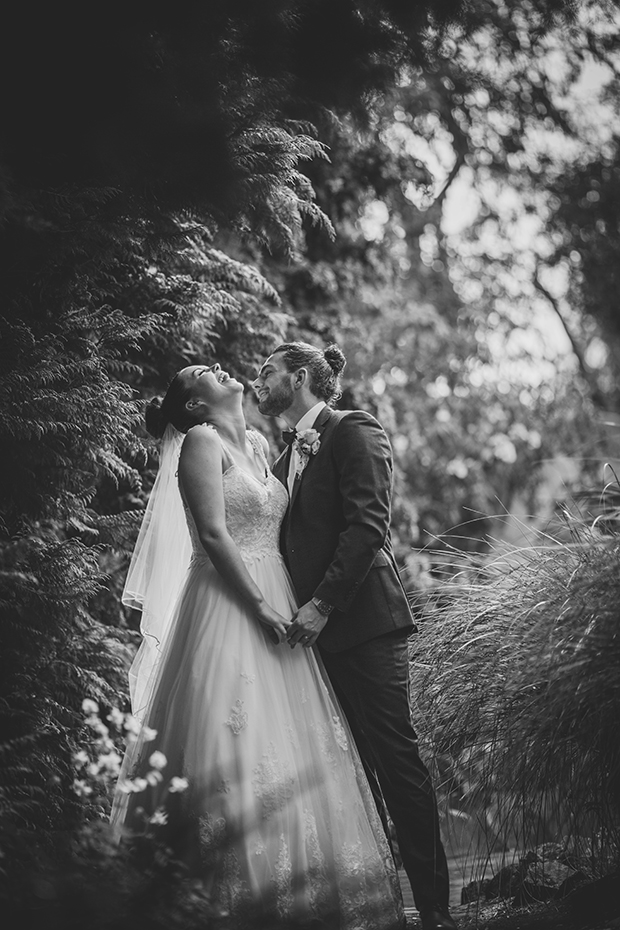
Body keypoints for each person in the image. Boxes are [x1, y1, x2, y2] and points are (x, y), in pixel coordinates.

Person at [110, 361, 405, 930]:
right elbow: (215, 534)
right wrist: (262, 608)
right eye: (202, 371)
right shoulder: (201, 440)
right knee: (231, 744)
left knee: (296, 743)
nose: (219, 367)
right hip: (229, 602)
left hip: (283, 601)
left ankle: (307, 892)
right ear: (194, 405)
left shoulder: (261, 441)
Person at [253, 343, 457, 930]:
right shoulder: (287, 452)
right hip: (311, 639)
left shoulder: (353, 430)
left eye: (266, 372)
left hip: (364, 625)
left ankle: (435, 910)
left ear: (299, 377)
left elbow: (368, 526)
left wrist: (320, 605)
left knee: (396, 759)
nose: (257, 381)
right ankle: (382, 902)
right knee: (353, 770)